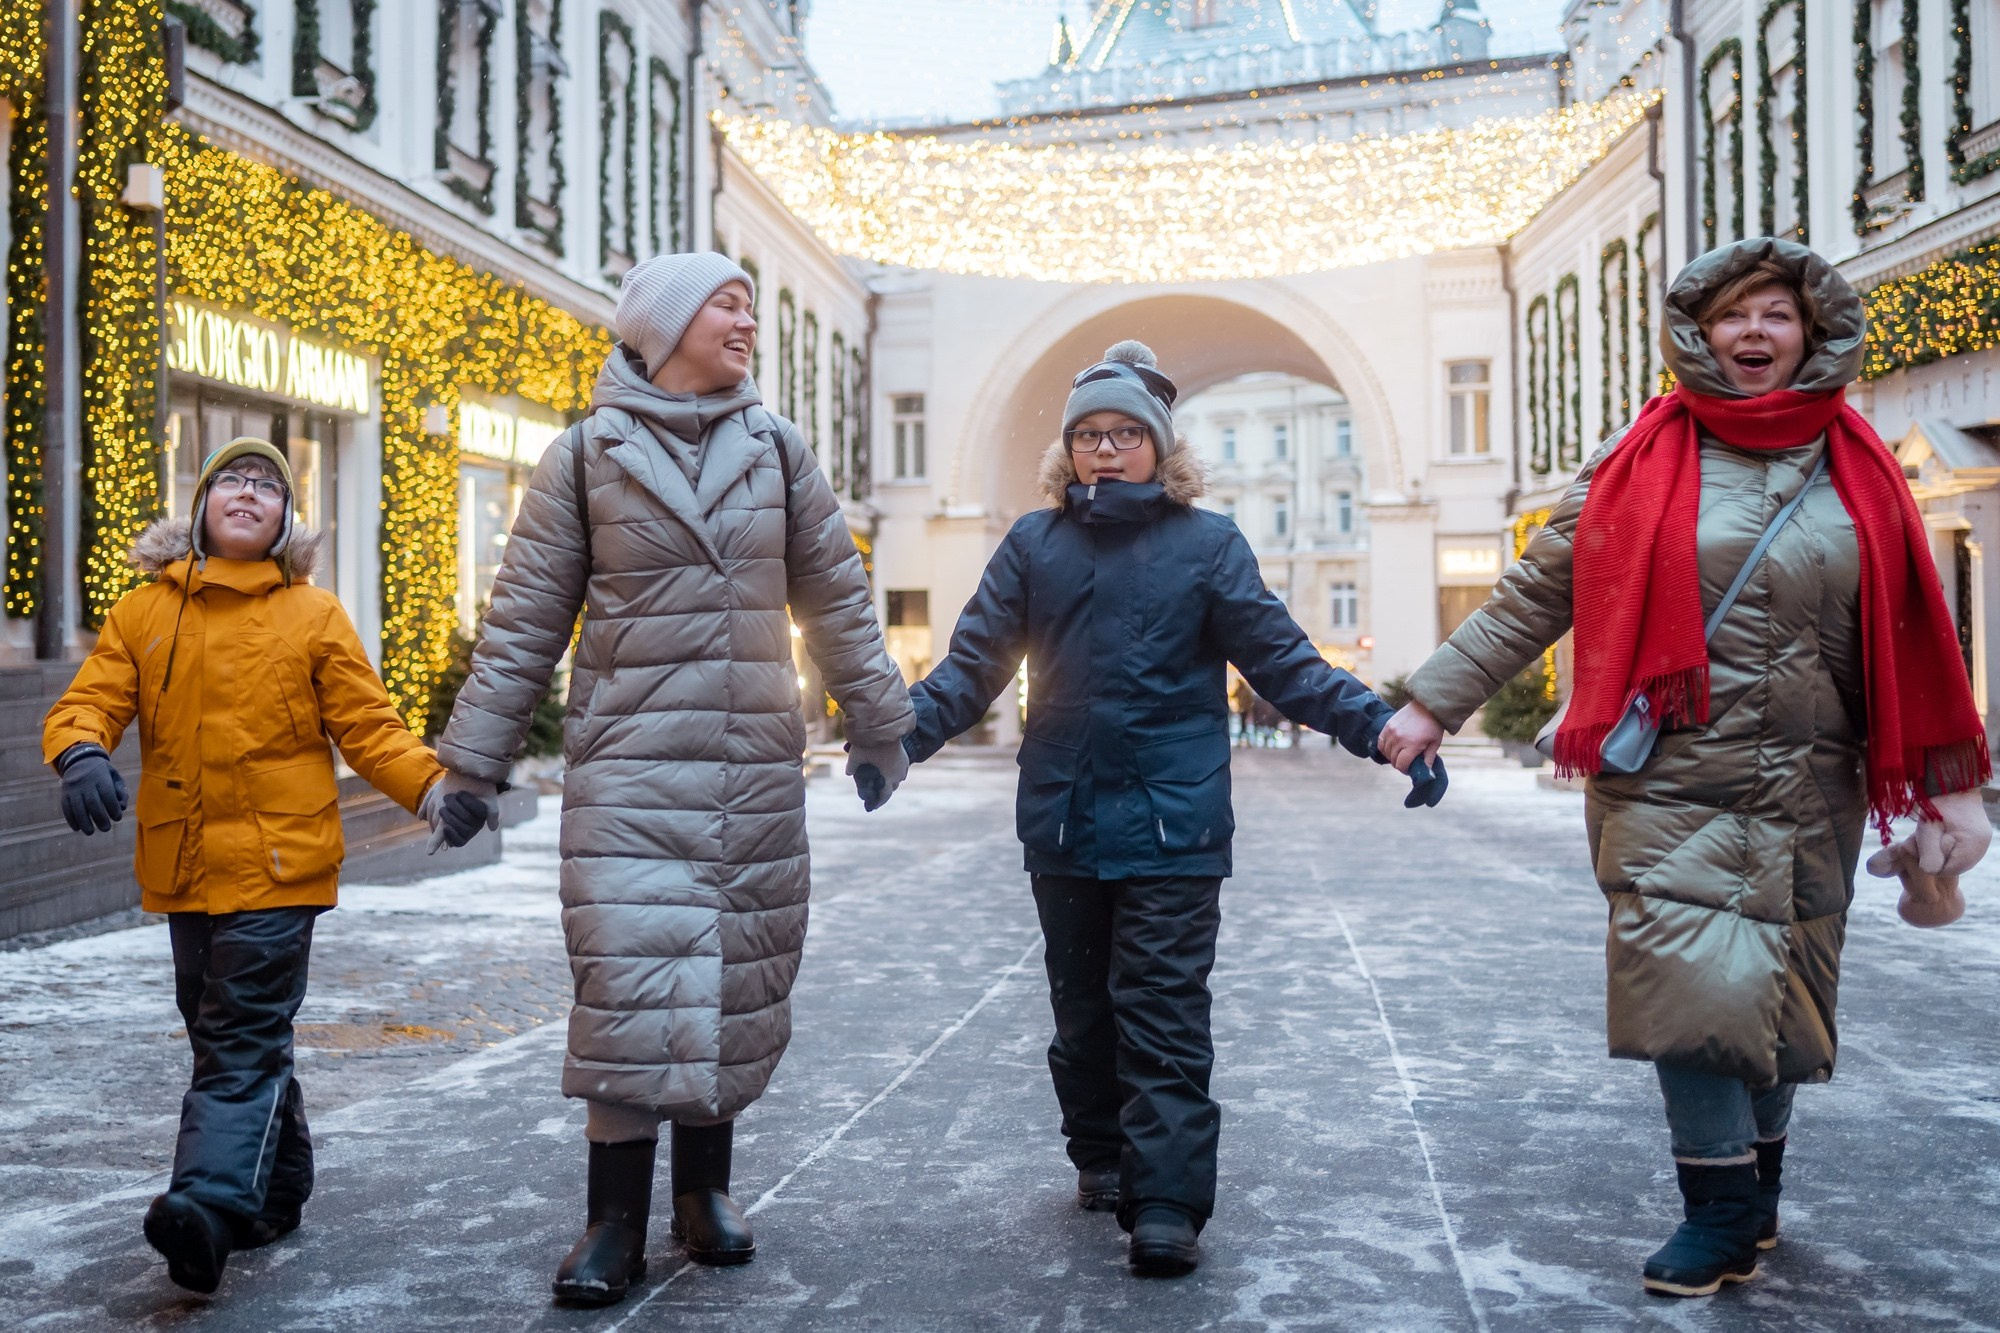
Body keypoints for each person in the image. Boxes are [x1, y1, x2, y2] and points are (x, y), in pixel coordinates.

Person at [1376, 237, 1992, 1298]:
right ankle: (1715, 1212)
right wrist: (1435, 700)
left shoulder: (1859, 461)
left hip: (1813, 779)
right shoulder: (1638, 456)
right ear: (1698, 335)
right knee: (1693, 991)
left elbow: (1909, 621)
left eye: (1775, 316)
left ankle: (1753, 1197)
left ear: (1811, 332)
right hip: (1667, 772)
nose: (1752, 335)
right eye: (1731, 317)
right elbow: (1535, 592)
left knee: (1785, 997)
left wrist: (1943, 776)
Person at [901, 340, 1445, 1278]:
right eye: (1088, 435)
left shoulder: (1209, 545)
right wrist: (894, 736)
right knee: (1082, 1013)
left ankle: (1166, 1202)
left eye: (1124, 434)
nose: (1106, 451)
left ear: (1158, 446)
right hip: (1065, 817)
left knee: (1160, 1010)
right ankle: (1103, 1157)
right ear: (1068, 450)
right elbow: (973, 665)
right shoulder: (1034, 544)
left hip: (1174, 821)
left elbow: (1285, 663)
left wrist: (1380, 729)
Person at [431, 253, 914, 1306]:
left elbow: (835, 600)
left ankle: (703, 1194)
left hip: (747, 769)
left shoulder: (779, 452)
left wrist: (878, 726)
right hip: (630, 768)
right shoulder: (583, 457)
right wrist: (472, 762)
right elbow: (524, 620)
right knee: (625, 982)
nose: (746, 322)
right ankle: (611, 1219)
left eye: (749, 306)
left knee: (733, 972)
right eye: (726, 305)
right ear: (662, 325)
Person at [41, 439, 487, 1294]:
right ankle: (278, 1186)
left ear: (286, 519)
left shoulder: (313, 615)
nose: (249, 494)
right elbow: (91, 698)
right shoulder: (143, 612)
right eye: (233, 482)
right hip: (184, 859)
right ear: (202, 503)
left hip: (282, 862)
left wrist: (433, 790)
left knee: (238, 1028)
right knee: (221, 1026)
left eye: (269, 487)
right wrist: (81, 752)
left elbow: (370, 727)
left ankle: (206, 1206)